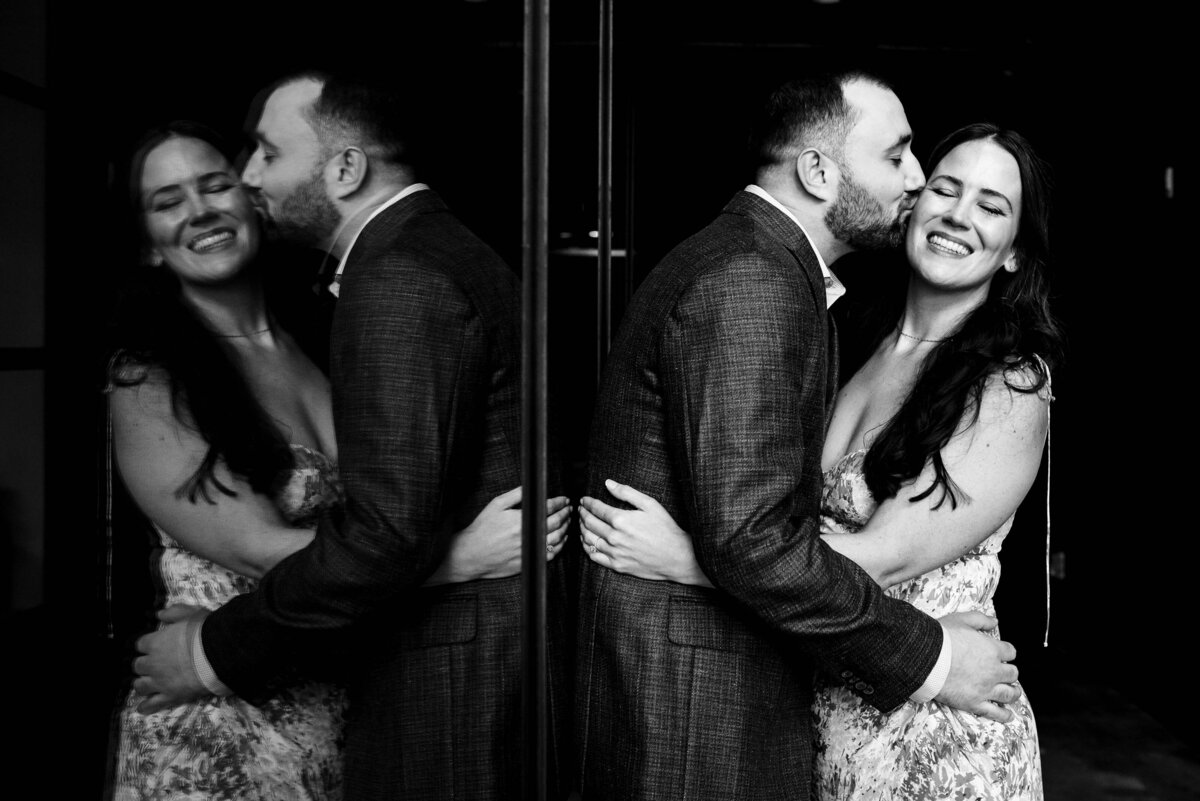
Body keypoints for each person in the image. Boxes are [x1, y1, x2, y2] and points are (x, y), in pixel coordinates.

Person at [573, 71, 1025, 801]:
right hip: (708, 698)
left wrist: (689, 557)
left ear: (1014, 251)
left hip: (927, 722)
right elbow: (754, 543)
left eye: (991, 204)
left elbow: (809, 547)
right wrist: (933, 655)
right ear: (819, 172)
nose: (916, 183)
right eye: (903, 159)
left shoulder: (997, 375)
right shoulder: (761, 283)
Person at [127, 72, 573, 800]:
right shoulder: (150, 376)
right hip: (232, 716)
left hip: (352, 684)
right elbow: (260, 547)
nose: (242, 180)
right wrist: (453, 559)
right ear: (145, 240)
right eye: (166, 200)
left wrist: (217, 650)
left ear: (344, 168)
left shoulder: (371, 294)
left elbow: (386, 532)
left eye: (253, 162)